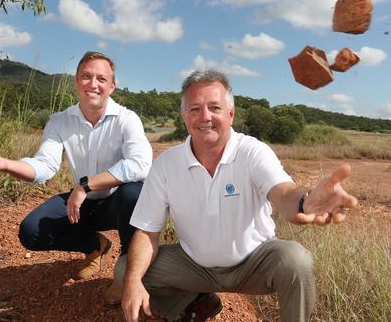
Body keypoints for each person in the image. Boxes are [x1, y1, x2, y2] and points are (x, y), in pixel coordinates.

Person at [117, 70, 358, 322]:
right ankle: (195, 303)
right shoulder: (166, 164)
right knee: (126, 270)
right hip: (195, 265)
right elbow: (147, 232)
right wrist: (133, 283)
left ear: (230, 114)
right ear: (183, 116)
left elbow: (283, 193)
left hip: (253, 263)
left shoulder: (252, 151)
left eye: (214, 107)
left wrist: (305, 201)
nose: (205, 117)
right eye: (195, 109)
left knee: (296, 261)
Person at [0, 51, 152, 303]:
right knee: (31, 232)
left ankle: (126, 273)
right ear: (76, 81)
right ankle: (95, 246)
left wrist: (85, 185)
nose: (93, 84)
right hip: (80, 204)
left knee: (134, 192)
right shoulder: (60, 121)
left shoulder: (127, 119)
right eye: (86, 76)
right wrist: (5, 163)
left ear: (112, 86)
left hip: (117, 203)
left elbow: (141, 164)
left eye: (101, 79)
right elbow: (44, 166)